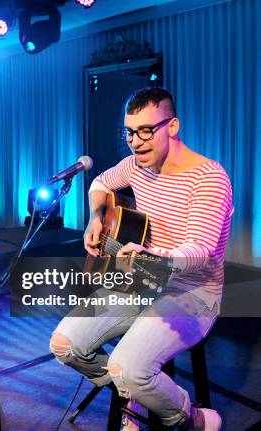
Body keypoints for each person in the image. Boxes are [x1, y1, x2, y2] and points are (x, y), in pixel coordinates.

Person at [49, 87, 232, 431]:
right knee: (65, 346)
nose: (136, 141)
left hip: (192, 292)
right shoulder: (135, 167)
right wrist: (97, 217)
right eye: (130, 132)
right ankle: (133, 389)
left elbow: (200, 249)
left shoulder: (208, 177)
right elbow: (100, 182)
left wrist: (156, 258)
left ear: (173, 126)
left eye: (146, 131)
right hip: (140, 280)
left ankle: (191, 418)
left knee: (128, 368)